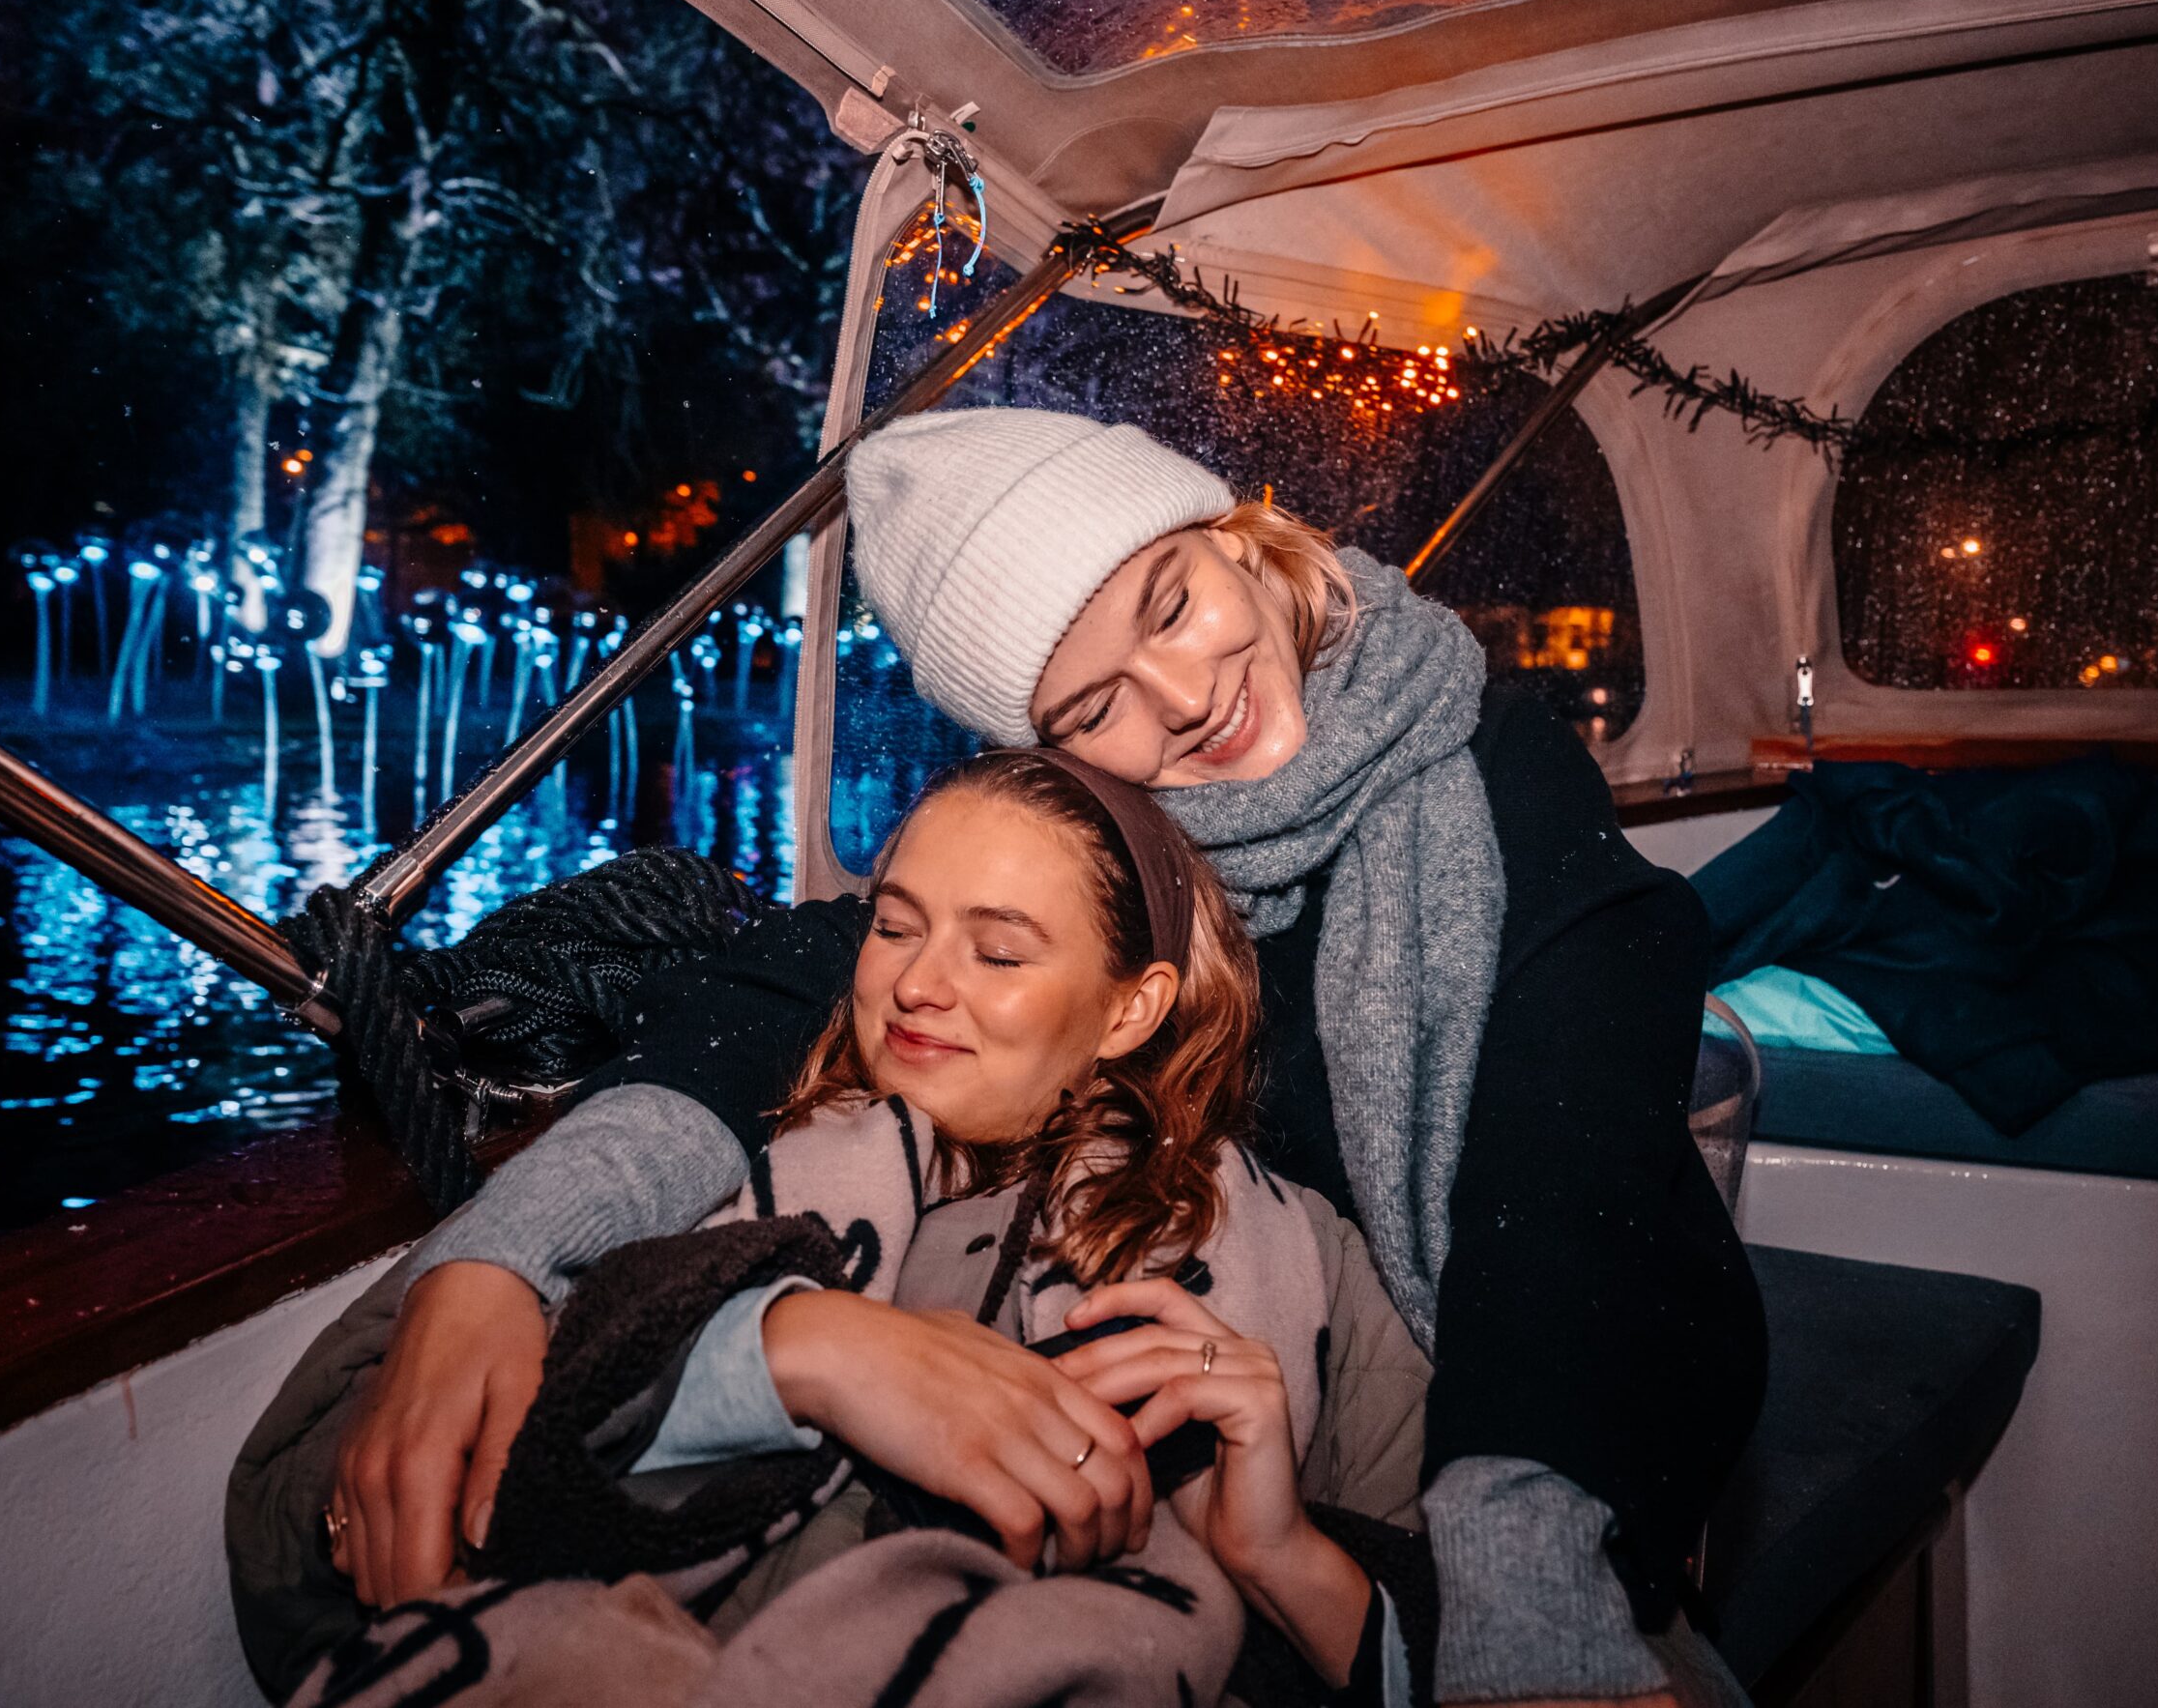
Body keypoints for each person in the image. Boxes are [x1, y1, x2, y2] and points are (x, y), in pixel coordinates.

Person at [297, 407, 1766, 1705]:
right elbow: (788, 977)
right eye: (1091, 708)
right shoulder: (1119, 877)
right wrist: (495, 1257)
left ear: (1238, 534)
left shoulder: (1494, 773)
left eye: (1172, 603)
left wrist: (1522, 1584)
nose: (1182, 695)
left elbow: (1563, 1169)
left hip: (1560, 1408)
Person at [248, 752, 1444, 1705]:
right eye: (894, 924)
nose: (918, 983)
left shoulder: (1309, 1261)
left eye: (998, 950)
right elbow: (300, 1520)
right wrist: (787, 1354)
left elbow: (1459, 1666)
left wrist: (1278, 1556)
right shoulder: (718, 1163)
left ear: (1129, 1009)